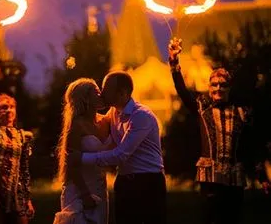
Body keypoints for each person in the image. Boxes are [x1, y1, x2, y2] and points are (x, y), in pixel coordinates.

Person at [168, 37, 270, 224]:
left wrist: (262, 177)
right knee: (211, 219)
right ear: (209, 88)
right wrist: (174, 62)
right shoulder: (202, 107)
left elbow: (251, 146)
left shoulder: (241, 112)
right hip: (210, 179)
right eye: (214, 85)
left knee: (233, 219)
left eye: (223, 85)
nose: (218, 89)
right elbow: (182, 90)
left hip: (234, 179)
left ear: (229, 88)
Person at [72, 71, 167, 224]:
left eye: (106, 89)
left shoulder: (141, 116)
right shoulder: (114, 113)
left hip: (148, 182)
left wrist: (82, 158)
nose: (102, 93)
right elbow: (91, 124)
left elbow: (121, 154)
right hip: (124, 182)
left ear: (122, 93)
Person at [0, 50, 35, 224]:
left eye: (11, 107)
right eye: (4, 107)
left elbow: (24, 170)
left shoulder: (22, 136)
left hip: (16, 197)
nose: (8, 110)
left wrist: (28, 198)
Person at [54, 78, 113, 224]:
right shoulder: (76, 126)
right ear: (86, 99)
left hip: (99, 185)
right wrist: (85, 195)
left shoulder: (105, 121)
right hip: (79, 189)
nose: (101, 95)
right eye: (96, 92)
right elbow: (72, 165)